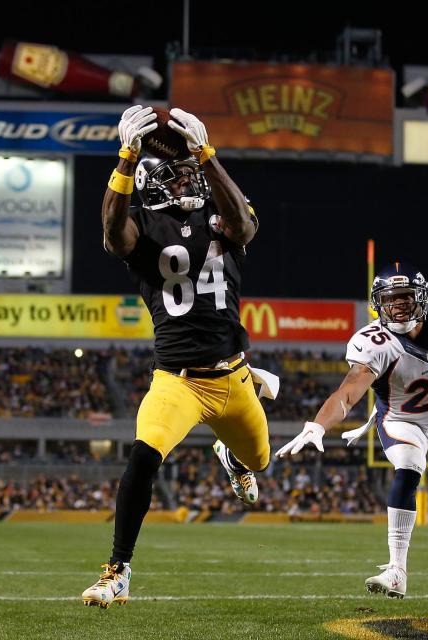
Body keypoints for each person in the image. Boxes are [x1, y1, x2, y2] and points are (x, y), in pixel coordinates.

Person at [82, 106, 273, 608]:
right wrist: (125, 159)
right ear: (152, 184)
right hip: (178, 381)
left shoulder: (220, 215)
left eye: (191, 173)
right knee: (143, 458)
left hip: (232, 378)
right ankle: (118, 570)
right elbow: (111, 230)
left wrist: (208, 156)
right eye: (179, 173)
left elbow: (245, 227)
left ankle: (232, 456)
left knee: (260, 460)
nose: (189, 179)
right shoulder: (139, 226)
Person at [276, 262, 428, 598]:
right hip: (401, 421)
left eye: (405, 297)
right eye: (390, 299)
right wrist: (318, 424)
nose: (398, 306)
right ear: (378, 304)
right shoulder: (374, 342)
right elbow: (349, 390)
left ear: (423, 298)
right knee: (409, 467)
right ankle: (397, 570)